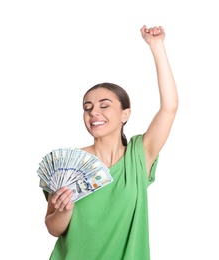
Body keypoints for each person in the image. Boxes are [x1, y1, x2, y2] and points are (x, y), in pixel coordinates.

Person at [43, 24, 178, 260]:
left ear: (125, 114)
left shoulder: (139, 156)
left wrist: (157, 46)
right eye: (88, 108)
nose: (94, 112)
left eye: (104, 106)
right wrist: (64, 211)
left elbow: (170, 107)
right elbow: (53, 227)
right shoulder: (66, 166)